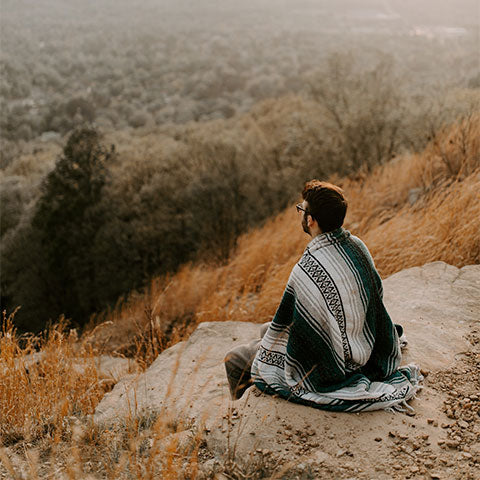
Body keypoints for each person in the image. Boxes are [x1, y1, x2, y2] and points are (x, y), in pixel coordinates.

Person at [224, 180, 421, 412]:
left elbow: (296, 327)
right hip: (363, 342)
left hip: (337, 364)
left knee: (235, 359)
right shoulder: (358, 246)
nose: (301, 213)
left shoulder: (307, 269)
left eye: (302, 209)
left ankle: (241, 415)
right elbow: (376, 300)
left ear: (310, 220)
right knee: (266, 330)